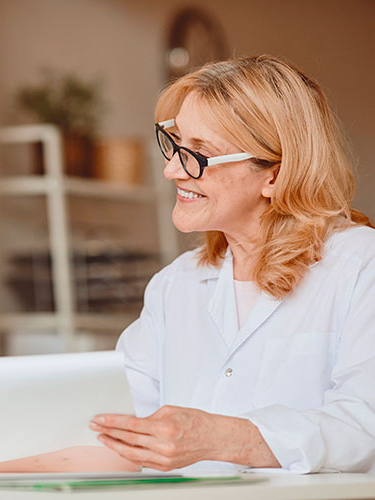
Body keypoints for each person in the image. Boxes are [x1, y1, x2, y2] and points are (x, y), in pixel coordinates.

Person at [89, 55, 375, 473]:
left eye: (199, 156)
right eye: (175, 144)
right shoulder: (177, 285)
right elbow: (113, 428)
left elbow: (364, 424)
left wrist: (222, 438)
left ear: (274, 176)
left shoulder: (359, 265)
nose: (172, 170)